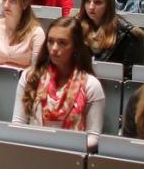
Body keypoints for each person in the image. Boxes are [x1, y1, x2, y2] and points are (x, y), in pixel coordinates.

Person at [13, 16, 104, 148]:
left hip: (72, 155)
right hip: (33, 151)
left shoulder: (91, 85)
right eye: (50, 41)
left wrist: (60, 147)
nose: (54, 48)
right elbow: (18, 123)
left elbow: (94, 136)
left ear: (75, 47)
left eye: (62, 42)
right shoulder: (30, 77)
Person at [79, 0, 144, 77]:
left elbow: (132, 78)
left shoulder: (128, 36)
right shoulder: (75, 29)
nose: (91, 7)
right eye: (87, 1)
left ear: (108, 5)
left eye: (97, 2)